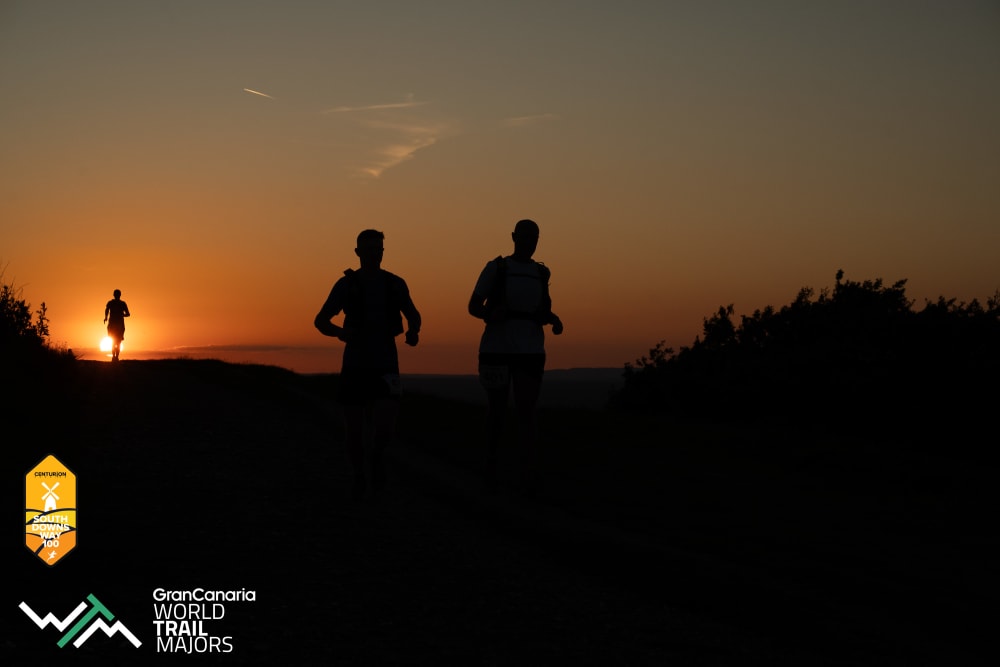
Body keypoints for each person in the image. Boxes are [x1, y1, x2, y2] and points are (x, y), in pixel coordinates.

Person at [314, 229, 421, 500]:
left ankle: (376, 457)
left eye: (379, 249)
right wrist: (341, 333)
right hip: (355, 364)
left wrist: (413, 332)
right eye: (370, 249)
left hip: (386, 364)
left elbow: (413, 314)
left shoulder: (395, 283)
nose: (375, 254)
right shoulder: (346, 285)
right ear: (358, 252)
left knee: (385, 428)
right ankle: (359, 475)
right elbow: (321, 320)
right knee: (354, 430)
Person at [468, 219, 563, 492]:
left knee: (526, 411)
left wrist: (554, 319)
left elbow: (541, 309)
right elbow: (473, 306)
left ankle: (525, 471)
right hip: (497, 349)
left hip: (530, 350)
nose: (529, 242)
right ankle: (493, 464)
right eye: (524, 236)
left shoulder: (541, 273)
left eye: (533, 237)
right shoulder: (496, 268)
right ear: (513, 237)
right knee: (498, 410)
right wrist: (490, 313)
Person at [103, 289, 130, 362]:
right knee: (116, 341)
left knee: (116, 341)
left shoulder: (119, 303)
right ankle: (115, 357)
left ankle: (115, 357)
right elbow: (107, 310)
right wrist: (106, 317)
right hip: (114, 324)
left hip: (118, 325)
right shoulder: (115, 303)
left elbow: (128, 314)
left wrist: (106, 317)